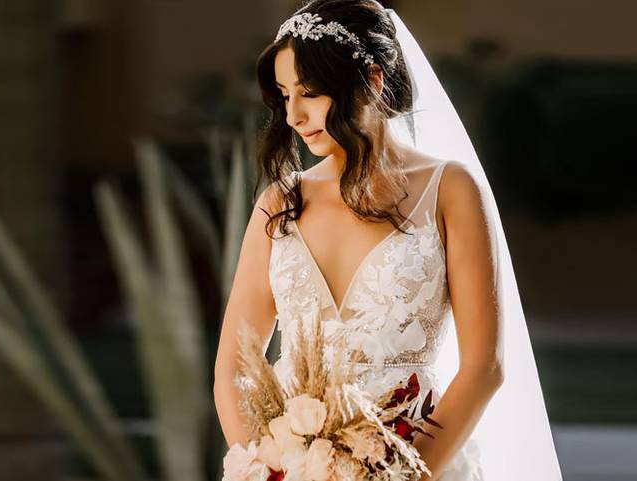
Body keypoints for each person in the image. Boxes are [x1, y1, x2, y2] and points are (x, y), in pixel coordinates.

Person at [214, 1, 563, 480]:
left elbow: (485, 366)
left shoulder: (449, 190)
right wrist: (262, 467)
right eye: (283, 95)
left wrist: (407, 474)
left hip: (421, 461)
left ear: (372, 81)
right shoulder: (280, 203)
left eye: (309, 93)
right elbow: (231, 368)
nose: (293, 115)